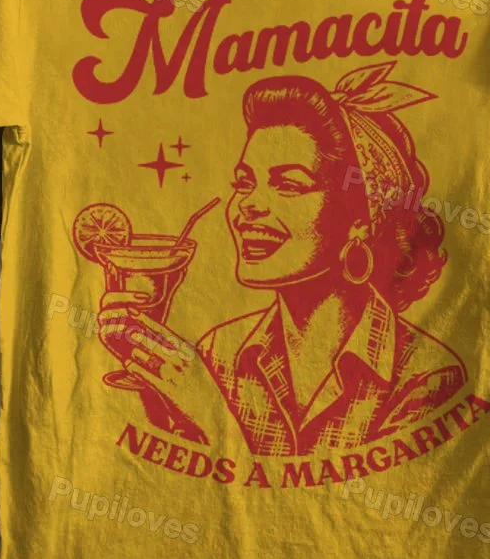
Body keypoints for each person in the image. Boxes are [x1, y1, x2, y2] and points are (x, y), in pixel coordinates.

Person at [98, 60, 467, 456]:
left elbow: (328, 490)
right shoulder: (219, 353)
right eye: (244, 183)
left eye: (288, 185)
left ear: (360, 219)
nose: (248, 205)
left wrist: (210, 413)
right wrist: (154, 389)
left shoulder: (426, 374)